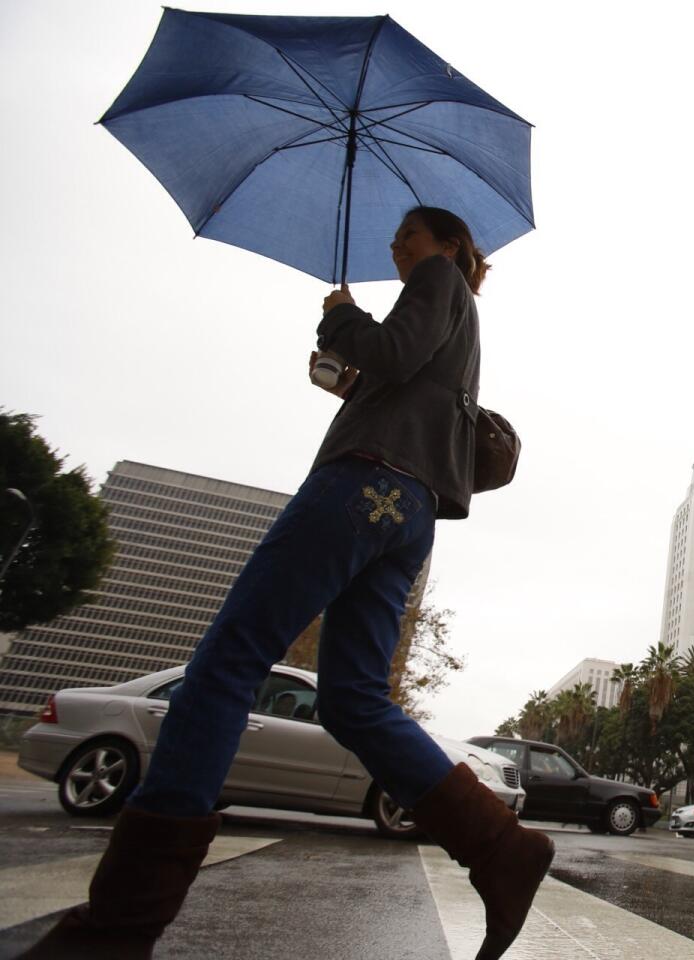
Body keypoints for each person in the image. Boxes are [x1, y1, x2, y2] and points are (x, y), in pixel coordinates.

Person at [21, 207, 552, 960]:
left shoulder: (438, 281)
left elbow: (394, 353)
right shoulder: (461, 316)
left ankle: (116, 927)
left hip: (362, 485)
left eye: (407, 233)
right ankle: (500, 847)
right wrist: (349, 376)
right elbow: (403, 377)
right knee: (354, 700)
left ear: (447, 244)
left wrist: (342, 319)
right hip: (410, 513)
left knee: (227, 664)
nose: (394, 244)